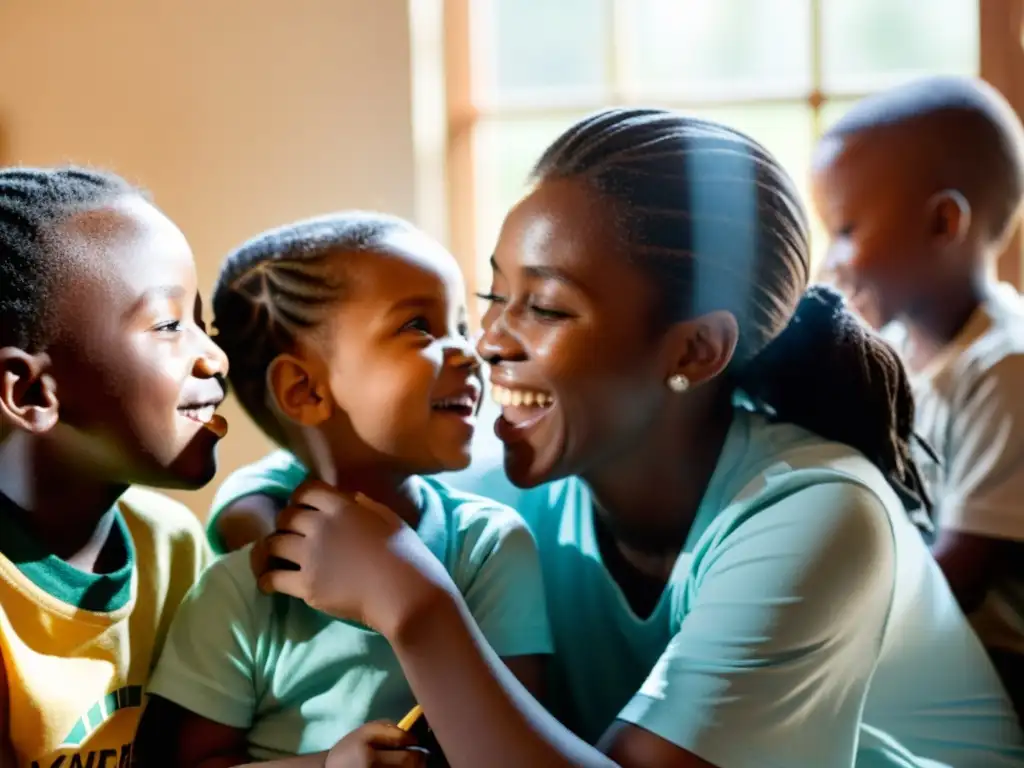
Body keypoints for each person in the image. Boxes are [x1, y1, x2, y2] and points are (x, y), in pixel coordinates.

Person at [211, 110, 1024, 767]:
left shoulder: (818, 515)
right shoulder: (520, 483)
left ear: (694, 350)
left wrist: (418, 609)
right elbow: (334, 471)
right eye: (494, 293)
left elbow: (399, 579)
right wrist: (257, 513)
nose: (487, 341)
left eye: (548, 306)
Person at [132, 213, 552, 766]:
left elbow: (515, 745)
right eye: (419, 327)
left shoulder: (489, 548)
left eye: (460, 326)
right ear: (304, 390)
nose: (470, 352)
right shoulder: (241, 590)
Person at [0, 167, 227, 766]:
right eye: (171, 326)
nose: (214, 357)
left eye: (202, 323)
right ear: (32, 394)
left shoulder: (172, 546)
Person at [812, 75, 1024, 714]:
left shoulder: (1004, 368)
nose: (833, 260)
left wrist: (832, 613)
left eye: (846, 230)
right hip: (937, 641)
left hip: (1001, 667)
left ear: (942, 224)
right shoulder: (896, 351)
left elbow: (963, 569)